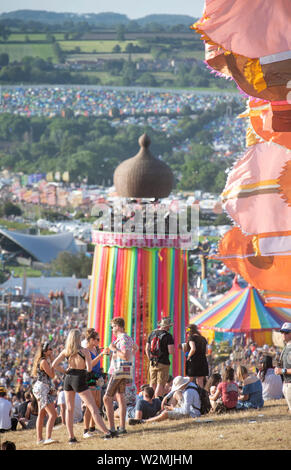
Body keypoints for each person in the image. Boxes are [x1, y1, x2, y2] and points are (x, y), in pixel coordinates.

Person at [52, 329, 113, 442]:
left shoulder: (66, 351)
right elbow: (89, 369)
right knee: (93, 407)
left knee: (69, 409)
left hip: (68, 378)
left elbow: (54, 364)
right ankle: (107, 432)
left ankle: (71, 437)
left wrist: (65, 371)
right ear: (78, 338)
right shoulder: (84, 351)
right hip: (79, 378)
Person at [103, 317, 137, 436]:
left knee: (106, 398)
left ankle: (112, 429)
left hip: (117, 371)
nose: (112, 329)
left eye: (112, 327)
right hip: (124, 370)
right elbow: (135, 349)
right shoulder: (127, 338)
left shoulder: (122, 339)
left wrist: (114, 349)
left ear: (118, 326)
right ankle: (122, 427)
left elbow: (125, 356)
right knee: (121, 398)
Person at [31, 342, 57, 445]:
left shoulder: (41, 361)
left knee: (41, 414)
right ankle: (48, 438)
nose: (51, 351)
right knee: (53, 414)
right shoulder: (44, 362)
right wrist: (52, 362)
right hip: (42, 388)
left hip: (40, 387)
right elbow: (52, 375)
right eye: (50, 349)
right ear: (45, 351)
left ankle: (39, 439)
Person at [82, 328, 104, 438]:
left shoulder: (96, 349)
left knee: (97, 404)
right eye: (97, 339)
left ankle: (92, 428)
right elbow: (88, 365)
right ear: (91, 340)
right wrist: (101, 355)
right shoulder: (86, 350)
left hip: (97, 377)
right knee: (89, 406)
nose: (98, 341)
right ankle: (86, 430)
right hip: (89, 378)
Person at [145, 317, 174, 398]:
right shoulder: (168, 336)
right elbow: (171, 351)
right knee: (160, 384)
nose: (169, 328)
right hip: (163, 362)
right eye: (169, 326)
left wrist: (150, 358)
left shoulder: (152, 333)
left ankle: (150, 401)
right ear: (166, 326)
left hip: (153, 362)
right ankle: (157, 401)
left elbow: (146, 348)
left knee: (152, 383)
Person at [274, 322, 291, 412]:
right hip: (286, 383)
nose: (284, 335)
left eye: (287, 332)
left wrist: (282, 370)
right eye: (282, 332)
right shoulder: (286, 347)